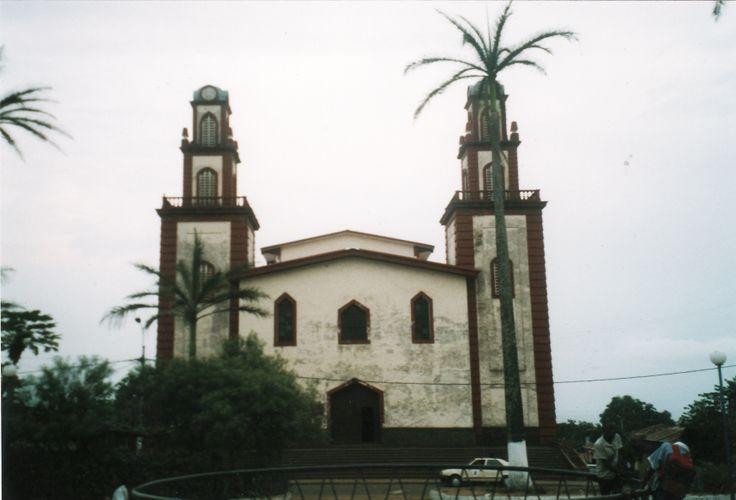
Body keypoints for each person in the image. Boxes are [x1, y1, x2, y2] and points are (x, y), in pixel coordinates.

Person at [593, 423, 624, 494]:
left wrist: (621, 465)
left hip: (616, 473)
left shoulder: (616, 436)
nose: (611, 435)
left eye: (613, 432)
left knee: (619, 495)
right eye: (609, 432)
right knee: (606, 496)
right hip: (604, 476)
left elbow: (620, 451)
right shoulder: (599, 444)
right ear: (603, 432)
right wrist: (619, 472)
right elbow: (606, 464)